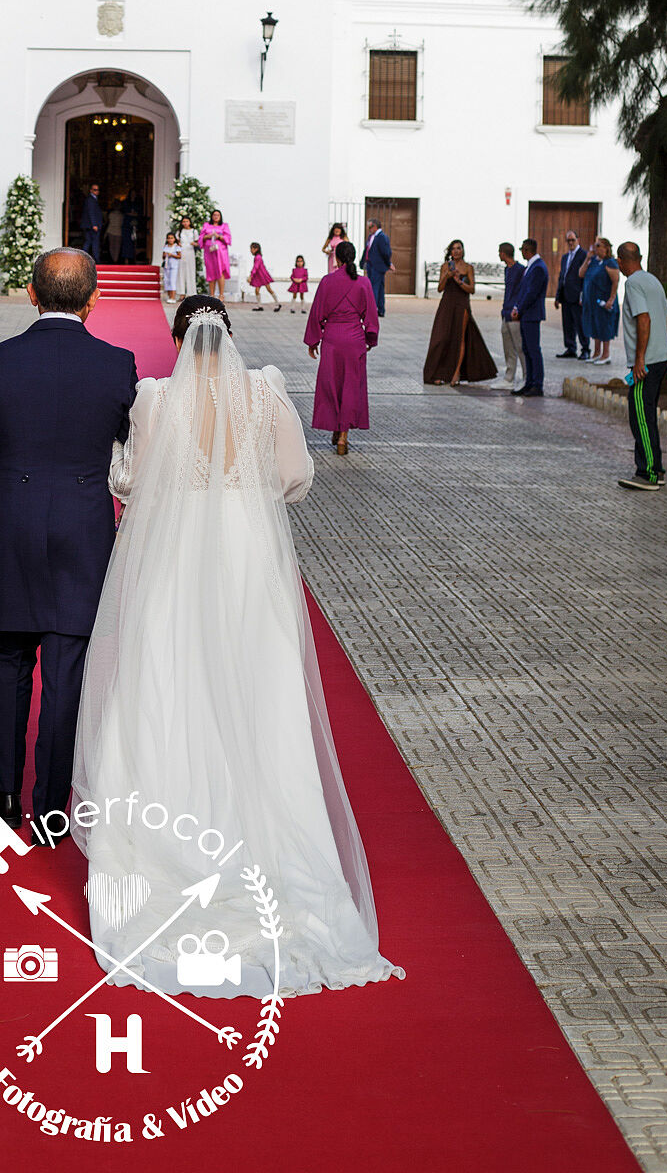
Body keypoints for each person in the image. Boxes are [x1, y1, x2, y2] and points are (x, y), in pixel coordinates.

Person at [72, 296, 403, 998]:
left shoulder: (157, 399)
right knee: (261, 686)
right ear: (231, 336)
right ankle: (276, 846)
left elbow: (129, 480)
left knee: (167, 679)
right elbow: (295, 479)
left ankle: (170, 839)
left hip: (175, 552)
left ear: (177, 338)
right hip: (247, 552)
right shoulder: (267, 390)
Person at [0, 249, 137, 833]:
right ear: (94, 299)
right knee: (68, 665)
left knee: (10, 657)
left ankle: (6, 794)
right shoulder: (118, 365)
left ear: (30, 294)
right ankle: (52, 806)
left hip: (15, 525)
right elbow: (129, 457)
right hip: (85, 527)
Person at [305, 240, 379, 456]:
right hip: (355, 339)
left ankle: (336, 428)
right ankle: (343, 436)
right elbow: (372, 315)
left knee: (332, 385)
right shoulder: (363, 283)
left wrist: (313, 341)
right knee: (350, 386)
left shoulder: (328, 281)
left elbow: (317, 313)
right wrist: (370, 338)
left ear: (336, 258)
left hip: (332, 340)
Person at [616, 242, 667, 491]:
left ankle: (649, 473)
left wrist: (639, 359)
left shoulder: (632, 284)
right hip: (661, 358)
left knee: (640, 417)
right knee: (645, 415)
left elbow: (644, 318)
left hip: (648, 362)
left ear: (621, 261)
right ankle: (655, 470)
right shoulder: (653, 281)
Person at [423, 240, 497, 385]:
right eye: (453, 249)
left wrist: (459, 281)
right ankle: (437, 373)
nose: (456, 251)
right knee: (441, 338)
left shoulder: (468, 268)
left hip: (462, 304)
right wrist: (447, 276)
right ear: (450, 252)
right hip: (447, 304)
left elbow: (472, 289)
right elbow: (439, 288)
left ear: (463, 250)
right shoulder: (446, 266)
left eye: (459, 248)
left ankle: (456, 374)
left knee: (460, 338)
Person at [510, 237, 549, 396]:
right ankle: (529, 382)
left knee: (533, 349)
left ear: (527, 250)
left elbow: (531, 292)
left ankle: (537, 384)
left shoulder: (538, 267)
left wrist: (519, 309)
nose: (522, 253)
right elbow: (524, 290)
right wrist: (516, 307)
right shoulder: (531, 266)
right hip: (526, 314)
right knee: (527, 349)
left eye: (522, 250)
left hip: (532, 314)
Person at [579, 236, 620, 364]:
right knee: (594, 325)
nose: (595, 249)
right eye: (594, 246)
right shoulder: (594, 261)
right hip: (592, 301)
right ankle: (596, 352)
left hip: (604, 300)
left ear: (606, 248)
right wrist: (587, 258)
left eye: (598, 246)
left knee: (604, 326)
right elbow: (581, 274)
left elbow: (615, 281)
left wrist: (611, 299)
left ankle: (605, 354)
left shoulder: (610, 263)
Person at [553, 229, 589, 360]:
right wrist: (557, 296)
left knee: (580, 324)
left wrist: (582, 295)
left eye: (573, 240)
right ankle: (570, 348)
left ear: (578, 240)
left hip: (577, 296)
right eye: (568, 240)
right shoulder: (565, 257)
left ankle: (585, 349)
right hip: (566, 296)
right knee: (567, 324)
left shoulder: (583, 255)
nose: (571, 243)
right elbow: (562, 277)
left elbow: (585, 277)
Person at [498, 243, 525, 392]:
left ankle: (526, 376)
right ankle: (509, 377)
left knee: (519, 346)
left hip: (515, 314)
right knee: (508, 346)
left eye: (499, 252)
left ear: (503, 253)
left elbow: (521, 291)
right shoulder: (506, 270)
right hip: (505, 312)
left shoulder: (520, 270)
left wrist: (517, 308)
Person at [361, 217, 392, 316]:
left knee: (375, 288)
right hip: (370, 265)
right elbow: (367, 249)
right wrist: (362, 262)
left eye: (369, 227)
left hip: (377, 266)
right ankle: (380, 309)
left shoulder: (382, 237)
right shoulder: (371, 236)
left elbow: (386, 252)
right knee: (378, 288)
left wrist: (388, 264)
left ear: (374, 226)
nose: (368, 229)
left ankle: (373, 309)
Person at [200, 208, 231, 299]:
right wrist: (207, 236)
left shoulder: (224, 226)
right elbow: (201, 238)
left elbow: (228, 238)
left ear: (220, 216)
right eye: (214, 215)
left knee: (220, 271)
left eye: (218, 215)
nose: (216, 217)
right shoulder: (206, 225)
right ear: (211, 216)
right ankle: (212, 295)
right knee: (210, 271)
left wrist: (219, 237)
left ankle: (221, 295)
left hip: (221, 252)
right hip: (209, 252)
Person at [247, 240, 281, 311]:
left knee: (269, 289)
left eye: (251, 248)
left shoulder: (258, 257)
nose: (250, 250)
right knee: (257, 290)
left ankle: (278, 303)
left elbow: (256, 267)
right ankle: (259, 305)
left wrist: (251, 275)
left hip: (262, 276)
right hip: (259, 276)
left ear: (256, 249)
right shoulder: (257, 257)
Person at [177, 215, 199, 297]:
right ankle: (181, 293)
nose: (185, 223)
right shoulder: (179, 232)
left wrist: (194, 244)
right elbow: (177, 242)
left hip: (190, 252)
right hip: (182, 253)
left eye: (187, 221)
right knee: (181, 272)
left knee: (191, 271)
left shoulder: (194, 231)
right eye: (183, 222)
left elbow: (198, 243)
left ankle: (191, 293)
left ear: (189, 222)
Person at [80, 184, 102, 261]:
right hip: (92, 226)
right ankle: (96, 259)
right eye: (95, 190)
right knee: (94, 242)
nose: (97, 191)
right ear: (91, 190)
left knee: (88, 241)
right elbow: (91, 213)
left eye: (98, 190)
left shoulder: (93, 199)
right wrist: (94, 224)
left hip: (90, 225)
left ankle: (83, 258)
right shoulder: (90, 200)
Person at [161, 232, 182, 303]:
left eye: (171, 238)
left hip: (174, 266)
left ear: (174, 239)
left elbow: (179, 256)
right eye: (169, 238)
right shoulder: (166, 246)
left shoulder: (176, 246)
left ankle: (173, 297)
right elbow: (163, 256)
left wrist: (172, 255)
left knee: (172, 281)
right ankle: (169, 296)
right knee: (167, 281)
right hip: (167, 266)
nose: (170, 240)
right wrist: (165, 255)